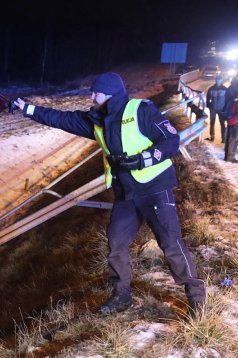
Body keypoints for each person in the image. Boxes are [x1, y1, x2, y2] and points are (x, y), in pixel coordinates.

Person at [13, 72, 205, 316]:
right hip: (126, 193)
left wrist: (142, 159)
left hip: (154, 188)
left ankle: (196, 298)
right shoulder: (98, 120)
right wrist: (27, 109)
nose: (92, 96)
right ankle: (121, 295)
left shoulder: (140, 110)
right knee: (116, 243)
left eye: (96, 92)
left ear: (110, 93)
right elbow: (62, 119)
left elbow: (170, 140)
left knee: (171, 243)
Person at [205, 75, 227, 142]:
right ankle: (212, 137)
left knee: (222, 124)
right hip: (213, 109)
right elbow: (208, 98)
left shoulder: (225, 89)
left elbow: (227, 99)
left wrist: (225, 108)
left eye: (219, 80)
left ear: (222, 80)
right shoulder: (211, 89)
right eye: (217, 79)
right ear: (215, 80)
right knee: (212, 123)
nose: (218, 81)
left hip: (222, 109)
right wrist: (209, 106)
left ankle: (223, 138)